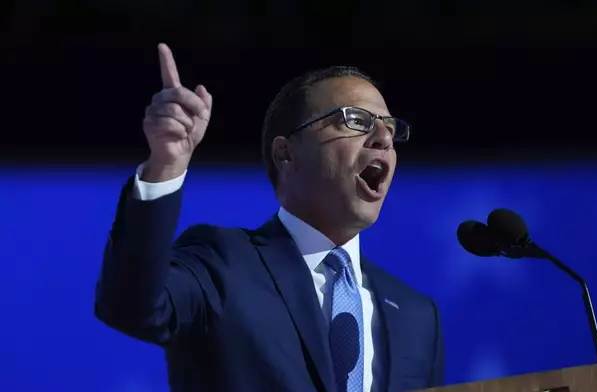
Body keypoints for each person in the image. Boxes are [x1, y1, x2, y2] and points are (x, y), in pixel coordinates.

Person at [94, 43, 444, 392]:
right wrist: (166, 165)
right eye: (356, 120)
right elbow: (130, 306)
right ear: (286, 153)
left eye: (390, 127)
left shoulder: (416, 317)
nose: (383, 138)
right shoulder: (223, 265)